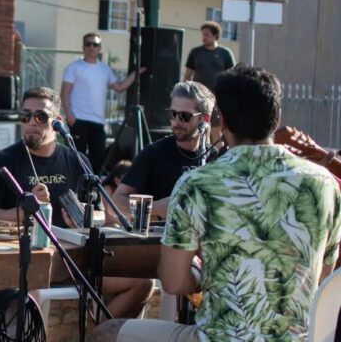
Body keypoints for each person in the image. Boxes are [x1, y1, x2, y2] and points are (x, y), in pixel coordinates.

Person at [89, 65, 341, 342]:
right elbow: (322, 278)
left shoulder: (198, 183)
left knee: (105, 333)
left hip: (218, 338)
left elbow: (173, 281)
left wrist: (199, 275)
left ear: (223, 122)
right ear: (277, 116)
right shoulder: (325, 184)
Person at [0, 86, 154, 319]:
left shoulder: (77, 160)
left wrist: (83, 217)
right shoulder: (3, 160)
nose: (31, 122)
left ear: (57, 122)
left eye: (40, 116)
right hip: (26, 261)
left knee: (143, 284)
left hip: (75, 259)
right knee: (31, 297)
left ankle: (97, 336)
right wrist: (22, 211)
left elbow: (102, 215)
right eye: (25, 116)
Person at [108, 82, 216, 221]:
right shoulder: (153, 153)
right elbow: (115, 203)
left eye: (185, 116)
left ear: (204, 119)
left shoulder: (214, 158)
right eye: (172, 114)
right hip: (157, 240)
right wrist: (157, 207)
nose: (177, 121)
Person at [61, 32, 143, 173]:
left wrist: (136, 74)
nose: (91, 47)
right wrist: (69, 116)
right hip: (78, 119)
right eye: (88, 44)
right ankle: (74, 189)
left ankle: (91, 192)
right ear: (83, 47)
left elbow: (119, 87)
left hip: (98, 122)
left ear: (100, 48)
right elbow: (64, 93)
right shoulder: (74, 67)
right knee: (75, 158)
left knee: (97, 159)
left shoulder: (104, 69)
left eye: (95, 44)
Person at [183, 21, 235, 142]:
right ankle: (203, 156)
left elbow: (232, 77)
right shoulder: (195, 52)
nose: (204, 37)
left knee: (216, 130)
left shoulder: (225, 54)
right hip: (198, 97)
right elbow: (187, 76)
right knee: (200, 129)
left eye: (207, 35)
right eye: (203, 34)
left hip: (218, 98)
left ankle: (218, 156)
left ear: (215, 35)